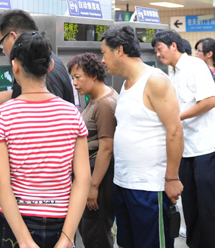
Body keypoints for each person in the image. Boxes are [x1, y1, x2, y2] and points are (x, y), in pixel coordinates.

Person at [0, 31, 91, 248]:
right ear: (51, 66)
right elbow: (82, 180)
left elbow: (1, 183)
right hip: (60, 221)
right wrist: (67, 238)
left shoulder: (1, 116)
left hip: (16, 224)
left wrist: (24, 241)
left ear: (15, 67)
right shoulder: (72, 114)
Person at [100, 25, 184, 248]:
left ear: (119, 50)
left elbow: (175, 130)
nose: (102, 60)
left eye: (104, 53)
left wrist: (172, 178)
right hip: (124, 184)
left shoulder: (155, 80)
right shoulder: (127, 85)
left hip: (150, 188)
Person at [152, 30, 215, 248]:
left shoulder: (195, 66)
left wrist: (176, 117)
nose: (158, 55)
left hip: (205, 149)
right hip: (186, 149)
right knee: (190, 206)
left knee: (208, 208)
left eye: (159, 49)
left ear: (173, 46)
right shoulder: (173, 73)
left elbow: (209, 100)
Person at [0, 9, 74, 108]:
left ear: (12, 36)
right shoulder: (44, 60)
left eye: (2, 43)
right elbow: (16, 96)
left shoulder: (37, 68)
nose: (3, 50)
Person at [67, 53, 117, 248]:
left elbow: (106, 148)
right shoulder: (96, 98)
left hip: (99, 177)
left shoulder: (104, 104)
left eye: (78, 77)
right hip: (92, 175)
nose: (74, 83)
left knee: (95, 233)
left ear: (94, 75)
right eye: (72, 78)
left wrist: (93, 187)